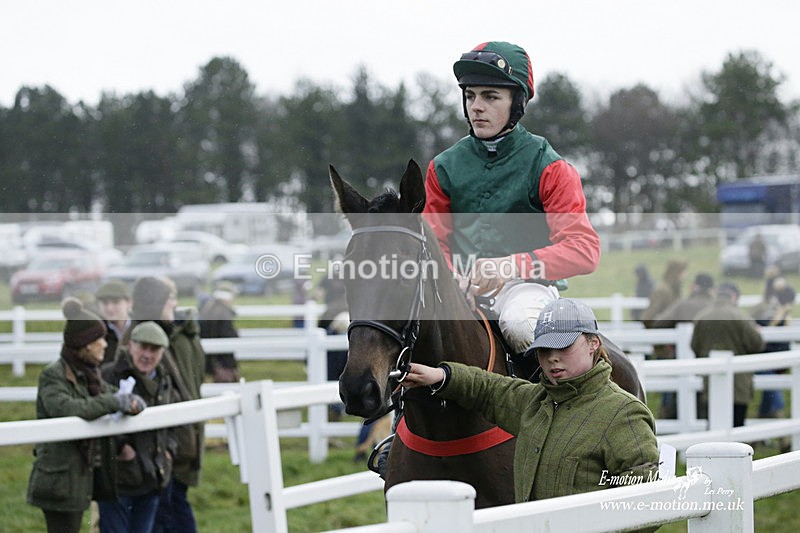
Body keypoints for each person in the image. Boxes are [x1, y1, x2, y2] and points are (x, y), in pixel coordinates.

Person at [422, 40, 601, 356]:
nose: (476, 106)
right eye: (470, 96)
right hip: (458, 290)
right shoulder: (442, 167)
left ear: (517, 103)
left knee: (520, 326)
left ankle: (551, 405)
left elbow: (584, 250)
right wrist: (452, 278)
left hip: (525, 290)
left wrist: (511, 266)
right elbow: (435, 242)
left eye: (490, 97)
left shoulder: (550, 166)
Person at [400, 298, 659, 502]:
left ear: (593, 343)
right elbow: (487, 388)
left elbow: (641, 500)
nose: (553, 358)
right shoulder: (534, 401)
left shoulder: (625, 413)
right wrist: (439, 375)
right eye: (544, 350)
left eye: (564, 346)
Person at [27, 297, 145, 533]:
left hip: (79, 477)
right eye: (98, 339)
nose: (104, 344)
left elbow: (110, 395)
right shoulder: (53, 375)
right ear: (84, 344)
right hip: (59, 479)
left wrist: (134, 401)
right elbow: (70, 409)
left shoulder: (90, 375)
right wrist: (115, 402)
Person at [127, 275, 206, 533]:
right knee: (168, 514)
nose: (174, 303)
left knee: (169, 511)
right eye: (168, 298)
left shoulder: (173, 337)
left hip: (172, 445)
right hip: (159, 449)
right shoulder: (144, 342)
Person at [100, 321, 177, 533]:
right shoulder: (110, 376)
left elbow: (174, 419)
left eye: (154, 349)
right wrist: (123, 449)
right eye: (143, 347)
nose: (147, 355)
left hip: (153, 476)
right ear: (131, 346)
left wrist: (169, 450)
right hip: (119, 479)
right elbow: (100, 417)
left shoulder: (164, 379)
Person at [691, 283, 765, 427]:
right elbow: (757, 344)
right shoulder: (740, 316)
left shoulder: (702, 316)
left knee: (713, 428)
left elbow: (695, 346)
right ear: (733, 296)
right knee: (736, 428)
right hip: (738, 386)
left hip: (711, 383)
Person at [649, 272, 715, 418]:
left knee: (678, 399)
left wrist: (666, 349)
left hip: (683, 363)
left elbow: (659, 324)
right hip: (711, 364)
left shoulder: (682, 305)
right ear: (712, 289)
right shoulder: (714, 308)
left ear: (694, 287)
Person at [751, 283, 795, 420]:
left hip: (773, 363)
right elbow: (762, 331)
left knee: (768, 399)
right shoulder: (770, 313)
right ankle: (781, 436)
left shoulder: (782, 314)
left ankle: (761, 426)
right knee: (777, 401)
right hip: (764, 362)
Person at [199, 281, 240, 383]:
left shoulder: (209, 310)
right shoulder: (223, 314)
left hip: (212, 363)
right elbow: (228, 336)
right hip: (223, 364)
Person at [95, 279, 133, 363]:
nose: (110, 308)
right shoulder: (95, 333)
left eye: (116, 302)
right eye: (105, 303)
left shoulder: (141, 326)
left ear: (129, 303)